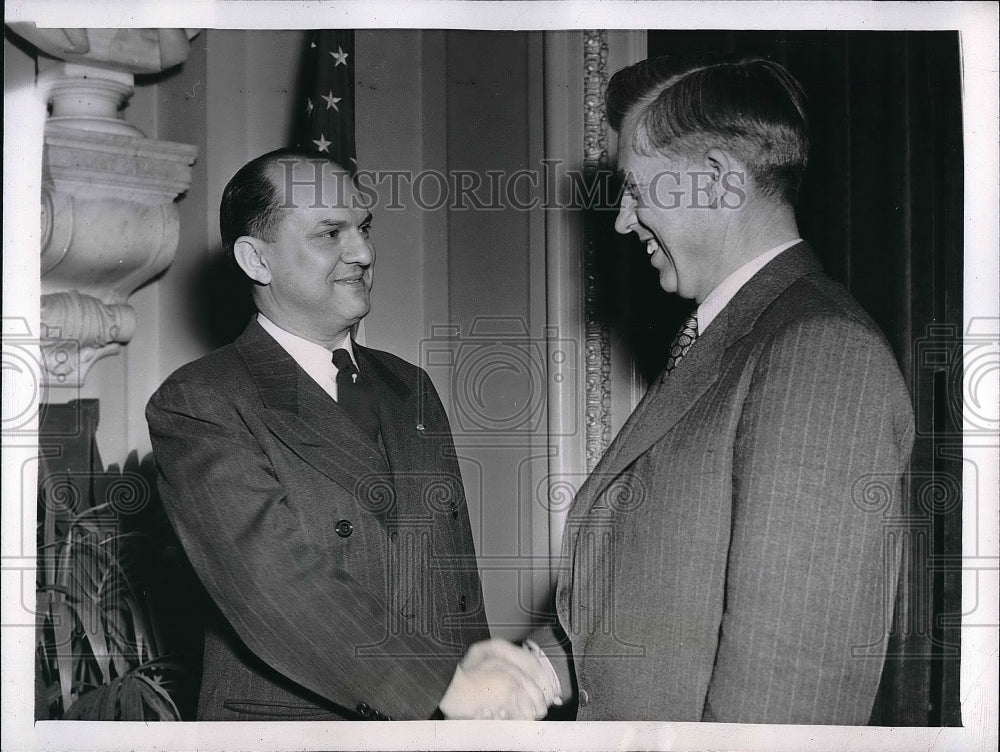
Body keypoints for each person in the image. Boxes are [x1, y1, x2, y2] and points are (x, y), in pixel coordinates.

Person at [529, 55, 915, 723]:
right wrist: (535, 668)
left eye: (637, 190)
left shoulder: (819, 354)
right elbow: (663, 601)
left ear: (715, 182)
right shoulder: (729, 342)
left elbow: (785, 700)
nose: (623, 222)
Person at [146, 149, 558, 721]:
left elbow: (450, 579)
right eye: (330, 233)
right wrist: (445, 687)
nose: (363, 252)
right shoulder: (201, 401)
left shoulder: (409, 386)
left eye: (363, 228)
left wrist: (480, 698)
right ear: (256, 260)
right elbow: (273, 586)